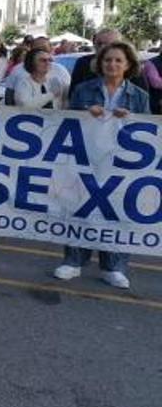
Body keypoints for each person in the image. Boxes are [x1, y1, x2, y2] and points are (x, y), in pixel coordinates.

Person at [57, 42, 148, 290]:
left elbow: (148, 134)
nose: (112, 64)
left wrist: (131, 119)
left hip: (121, 164)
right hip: (86, 159)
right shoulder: (83, 89)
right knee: (79, 208)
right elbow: (67, 123)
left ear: (128, 65)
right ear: (100, 63)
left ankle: (114, 267)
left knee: (116, 212)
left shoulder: (139, 96)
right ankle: (73, 261)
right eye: (108, 60)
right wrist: (85, 112)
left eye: (118, 60)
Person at [5, 48, 69, 109]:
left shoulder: (56, 81)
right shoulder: (24, 82)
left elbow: (66, 102)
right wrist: (51, 95)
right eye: (43, 60)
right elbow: (25, 105)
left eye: (49, 60)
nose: (47, 63)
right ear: (32, 63)